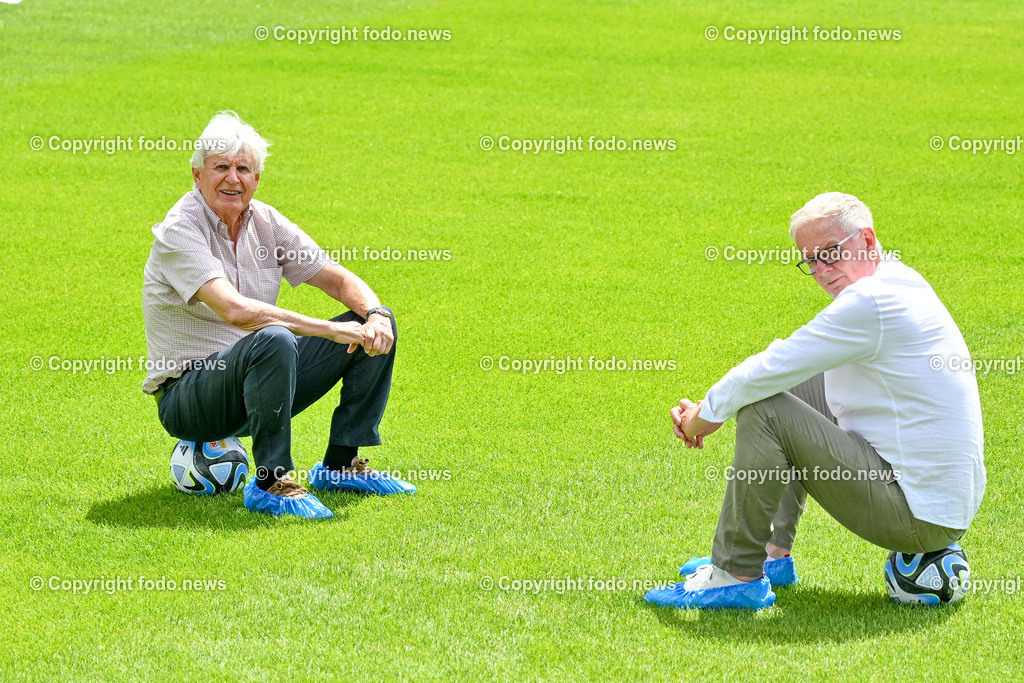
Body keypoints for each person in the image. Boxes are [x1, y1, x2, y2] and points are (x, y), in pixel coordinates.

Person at [645, 192, 985, 609]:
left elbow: (773, 363)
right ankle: (772, 556)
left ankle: (734, 575)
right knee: (784, 390)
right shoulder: (900, 279)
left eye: (830, 252)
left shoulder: (871, 303)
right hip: (936, 506)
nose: (822, 270)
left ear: (866, 239)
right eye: (810, 260)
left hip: (916, 518)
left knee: (764, 407)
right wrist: (714, 405)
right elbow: (786, 369)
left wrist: (705, 414)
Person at [142, 111, 415, 519]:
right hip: (190, 396)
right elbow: (235, 310)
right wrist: (327, 330)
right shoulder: (179, 231)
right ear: (197, 175)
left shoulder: (265, 222)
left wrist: (372, 314)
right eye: (220, 167)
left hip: (261, 380)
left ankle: (340, 467)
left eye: (243, 169)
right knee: (275, 337)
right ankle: (271, 483)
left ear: (256, 179)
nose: (232, 178)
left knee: (377, 323)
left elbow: (338, 280)